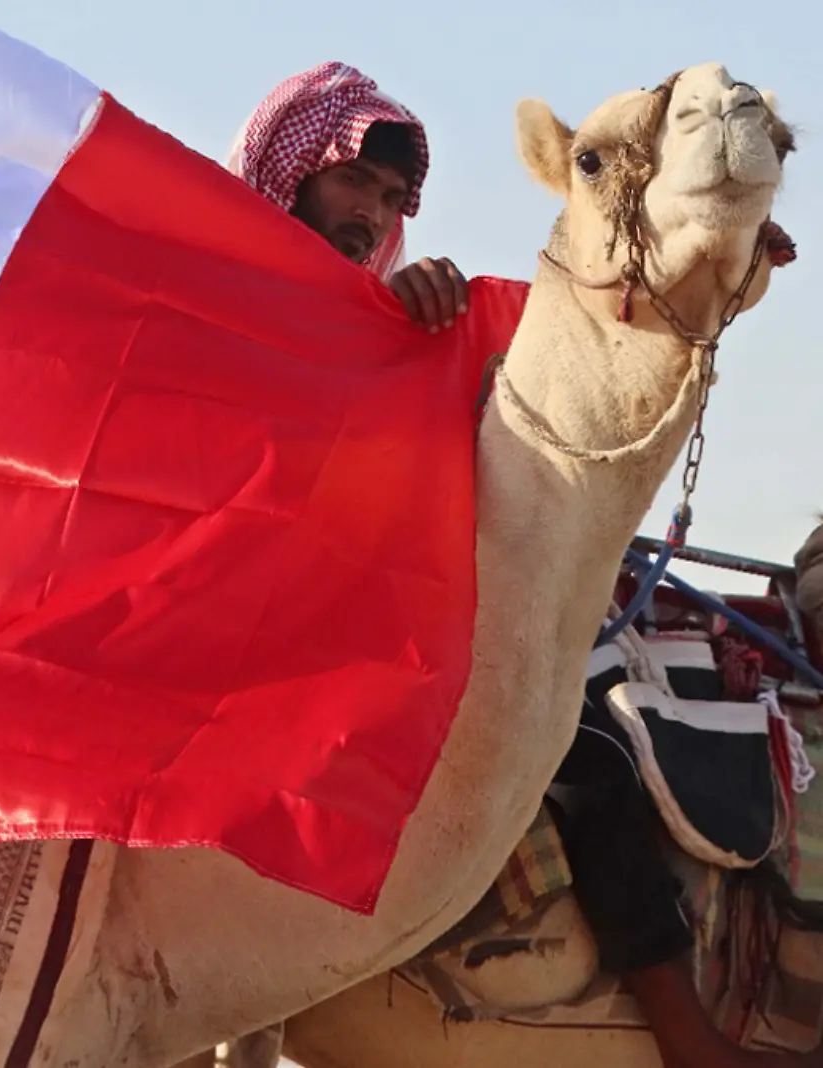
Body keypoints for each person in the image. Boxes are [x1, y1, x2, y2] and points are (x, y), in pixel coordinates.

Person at [232, 61, 818, 1068]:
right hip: (266, 634)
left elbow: (526, 421)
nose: (367, 212)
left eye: (384, 196)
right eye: (348, 184)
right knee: (578, 761)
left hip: (402, 624)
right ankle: (683, 1029)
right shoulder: (224, 310)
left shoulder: (403, 322)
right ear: (289, 176)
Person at [226, 60, 471, 332]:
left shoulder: (372, 338)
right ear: (291, 175)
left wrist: (404, 314)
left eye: (391, 199)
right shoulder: (201, 295)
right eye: (353, 179)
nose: (373, 215)